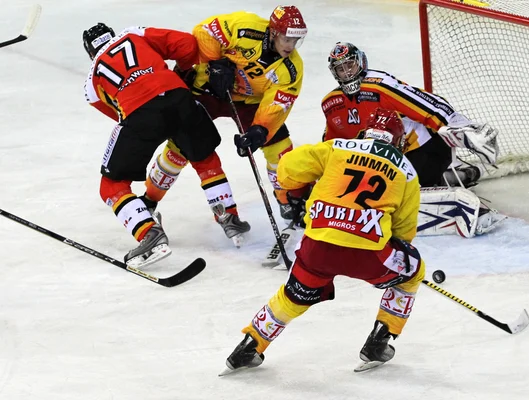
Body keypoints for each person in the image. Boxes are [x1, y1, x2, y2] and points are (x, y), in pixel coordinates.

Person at [221, 108, 425, 374]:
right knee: (412, 271)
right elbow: (403, 233)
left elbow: (287, 169)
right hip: (367, 254)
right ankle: (380, 340)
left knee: (292, 297)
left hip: (317, 246)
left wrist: (303, 189)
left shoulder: (338, 146)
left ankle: (250, 345)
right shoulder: (406, 170)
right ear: (398, 142)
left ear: (365, 134)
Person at [83, 22, 249, 268]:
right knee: (204, 158)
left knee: (111, 185)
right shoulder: (132, 33)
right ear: (112, 33)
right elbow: (188, 45)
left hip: (140, 114)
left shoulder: (90, 84)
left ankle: (149, 233)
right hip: (179, 98)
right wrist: (181, 72)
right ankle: (229, 217)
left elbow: (117, 113)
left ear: (89, 52)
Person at [320, 41, 505, 238]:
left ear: (361, 62)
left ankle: (446, 185)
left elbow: (430, 104)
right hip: (388, 159)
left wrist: (460, 126)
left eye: (350, 65)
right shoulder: (332, 104)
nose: (347, 73)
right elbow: (332, 146)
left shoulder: (380, 86)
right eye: (341, 69)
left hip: (427, 149)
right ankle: (451, 176)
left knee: (394, 187)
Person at [142, 5, 308, 221]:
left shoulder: (292, 68)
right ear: (274, 32)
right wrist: (217, 63)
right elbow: (205, 31)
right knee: (181, 146)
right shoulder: (246, 28)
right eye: (287, 39)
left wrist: (259, 130)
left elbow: (277, 103)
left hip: (248, 102)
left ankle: (288, 202)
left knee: (279, 146)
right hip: (208, 89)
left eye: (296, 41)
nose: (291, 46)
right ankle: (149, 199)